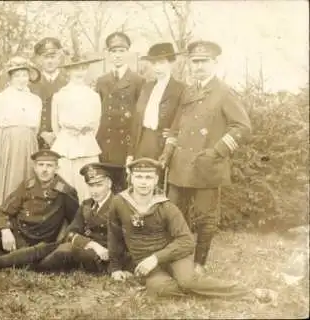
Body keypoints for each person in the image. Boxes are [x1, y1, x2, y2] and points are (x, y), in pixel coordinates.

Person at [159, 40, 252, 274]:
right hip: (181, 166)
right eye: (194, 61)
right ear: (189, 63)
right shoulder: (188, 91)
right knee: (173, 214)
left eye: (204, 61)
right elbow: (176, 128)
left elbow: (242, 127)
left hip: (207, 166)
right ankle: (176, 259)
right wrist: (166, 153)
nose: (198, 66)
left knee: (204, 218)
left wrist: (216, 152)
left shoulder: (223, 92)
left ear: (214, 63)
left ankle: (200, 263)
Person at [108, 157, 252, 298]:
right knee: (161, 289)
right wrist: (115, 268)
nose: (143, 182)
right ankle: (190, 285)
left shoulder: (166, 206)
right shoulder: (119, 203)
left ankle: (245, 292)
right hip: (145, 261)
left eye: (148, 177)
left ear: (156, 180)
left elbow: (187, 241)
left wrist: (156, 258)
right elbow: (114, 235)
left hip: (174, 256)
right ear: (131, 178)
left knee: (187, 282)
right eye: (139, 177)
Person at [0, 57, 43, 233]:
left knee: (25, 182)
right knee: (4, 183)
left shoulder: (35, 100)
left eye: (25, 75)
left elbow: (35, 127)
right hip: (5, 145)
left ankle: (23, 229)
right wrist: (2, 146)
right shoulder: (0, 98)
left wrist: (25, 140)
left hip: (28, 144)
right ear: (10, 78)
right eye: (17, 75)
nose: (22, 79)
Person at [38, 162, 133, 274]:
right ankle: (14, 262)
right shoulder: (87, 204)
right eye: (90, 185)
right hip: (87, 250)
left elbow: (124, 241)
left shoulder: (119, 205)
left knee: (66, 251)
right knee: (41, 249)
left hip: (102, 259)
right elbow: (70, 233)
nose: (94, 191)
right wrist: (92, 244)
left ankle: (35, 268)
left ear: (109, 184)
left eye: (99, 185)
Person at [50, 55, 104, 201]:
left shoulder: (93, 95)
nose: (80, 72)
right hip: (65, 145)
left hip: (87, 145)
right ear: (68, 71)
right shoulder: (60, 95)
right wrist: (67, 136)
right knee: (64, 184)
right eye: (76, 69)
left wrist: (84, 135)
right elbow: (55, 125)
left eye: (83, 68)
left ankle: (87, 218)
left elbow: (96, 124)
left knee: (88, 184)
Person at [96, 32, 144, 192]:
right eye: (113, 51)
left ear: (128, 53)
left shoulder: (138, 80)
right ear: (109, 54)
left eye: (121, 51)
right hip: (104, 145)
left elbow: (139, 118)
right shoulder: (102, 81)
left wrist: (133, 150)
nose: (117, 55)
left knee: (123, 190)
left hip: (125, 145)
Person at [128, 42, 185, 162]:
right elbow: (137, 121)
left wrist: (174, 132)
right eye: (154, 63)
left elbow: (184, 120)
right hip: (143, 141)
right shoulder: (147, 87)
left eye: (161, 63)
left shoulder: (181, 89)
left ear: (170, 63)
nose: (157, 68)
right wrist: (131, 153)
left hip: (164, 145)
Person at [30, 37, 69, 149]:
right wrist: (42, 133)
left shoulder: (68, 83)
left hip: (64, 139)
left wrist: (58, 134)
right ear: (39, 60)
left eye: (53, 57)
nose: (50, 61)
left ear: (59, 58)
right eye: (45, 57)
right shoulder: (31, 86)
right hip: (37, 140)